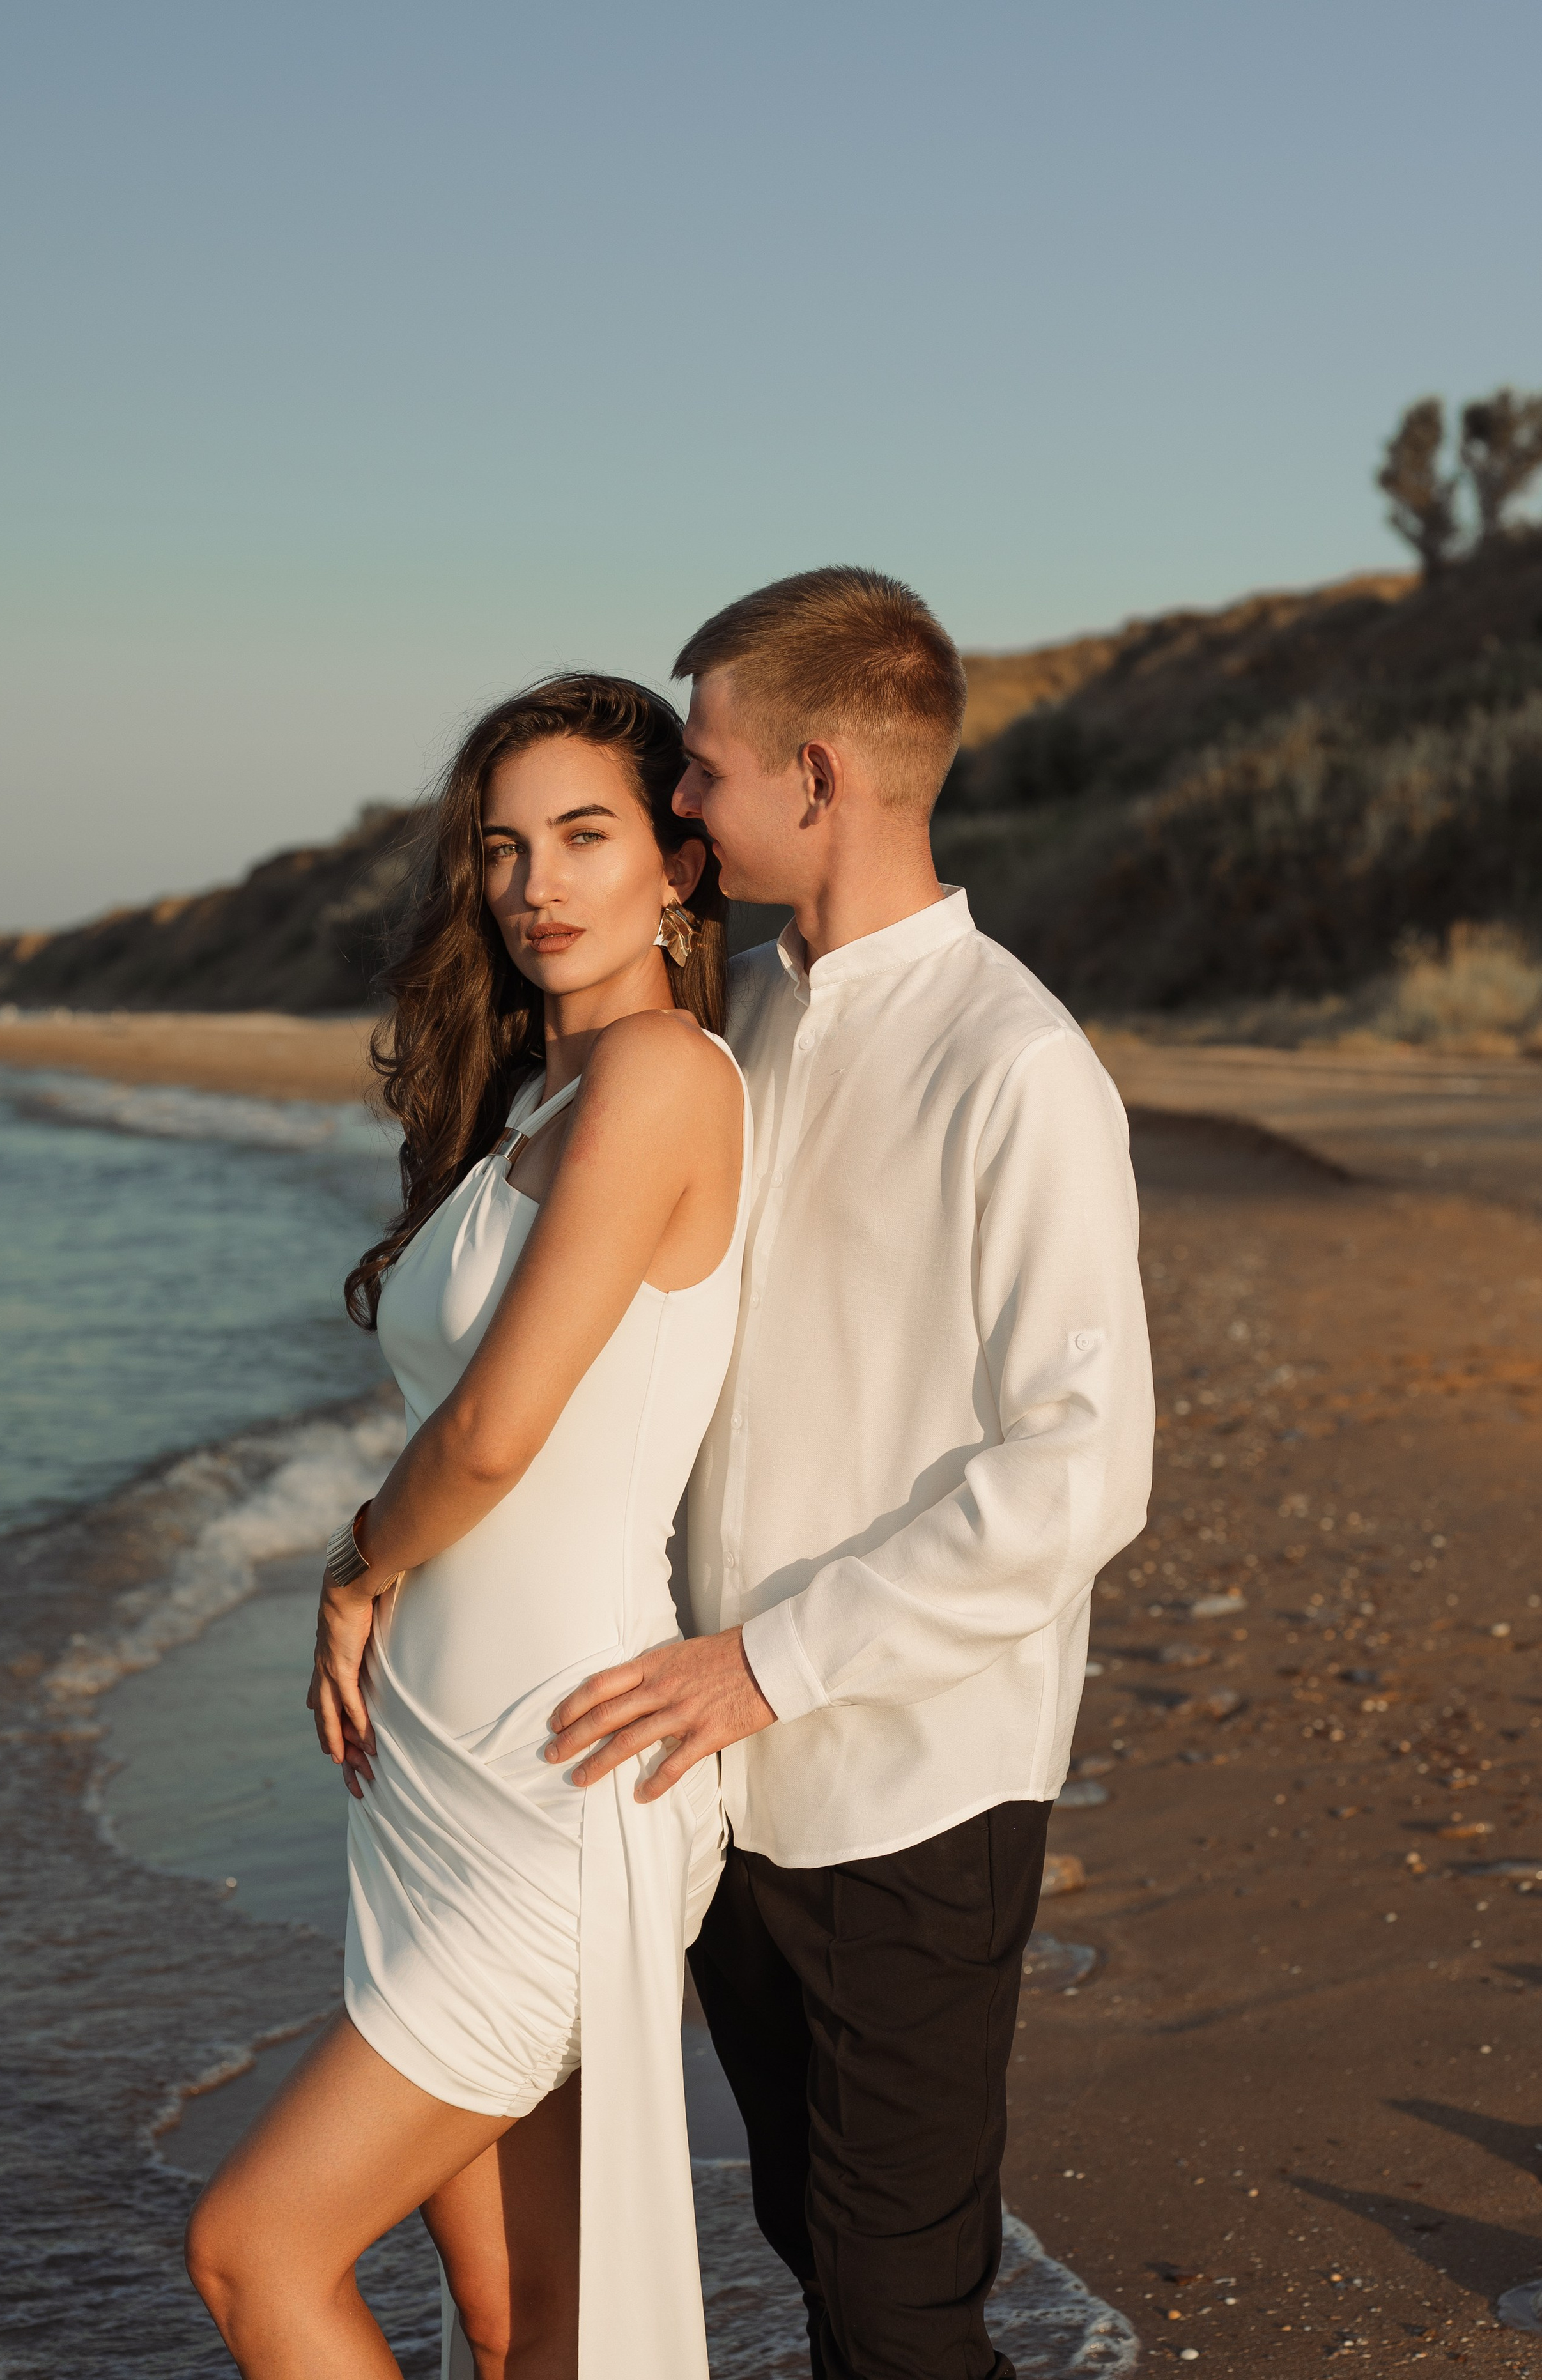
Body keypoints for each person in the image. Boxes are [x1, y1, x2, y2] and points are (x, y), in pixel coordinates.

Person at [545, 569, 1156, 2380]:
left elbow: (1082, 1466)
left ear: (816, 777)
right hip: (717, 1780)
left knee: (902, 2311)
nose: (681, 811)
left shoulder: (1019, 1063)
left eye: (704, 773)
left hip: (914, 1782)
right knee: (812, 2246)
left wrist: (769, 1662)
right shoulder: (727, 1021)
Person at [185, 674, 752, 2380]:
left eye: (586, 836)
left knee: (255, 2253)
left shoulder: (660, 1073)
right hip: (437, 1779)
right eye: (503, 849)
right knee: (521, 2327)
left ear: (679, 865)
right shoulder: (531, 1109)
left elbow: (499, 1433)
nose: (534, 885)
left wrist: (360, 1568)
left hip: (557, 1776)